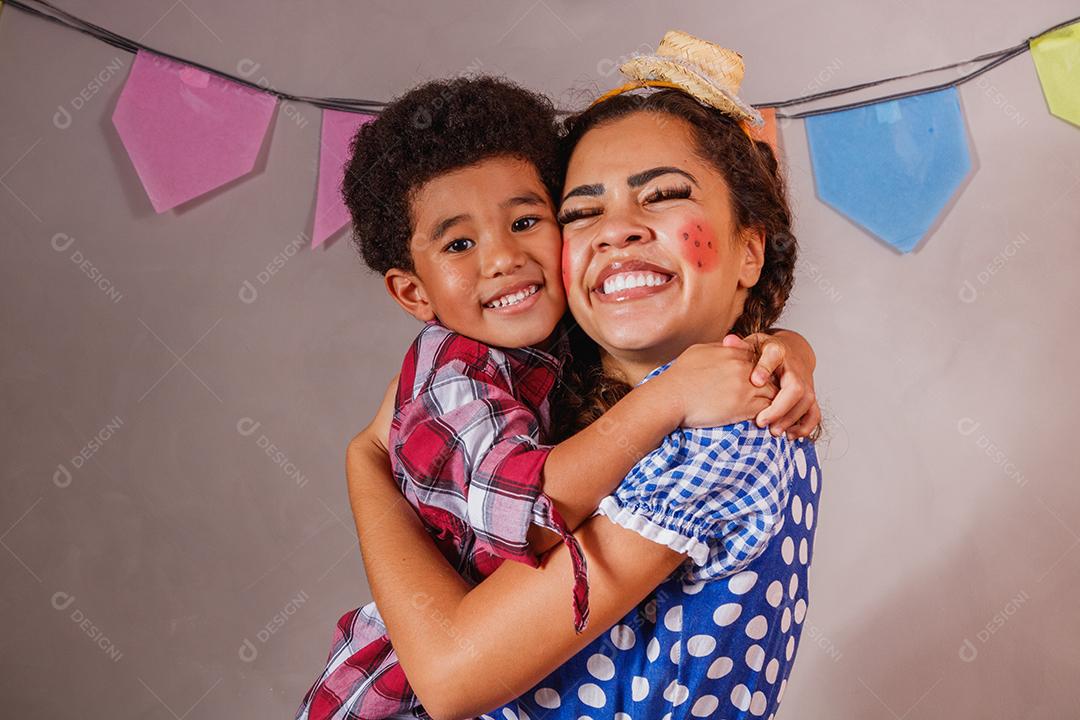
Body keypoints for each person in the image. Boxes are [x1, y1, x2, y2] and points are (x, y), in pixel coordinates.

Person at [296, 72, 820, 719]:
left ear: (751, 249)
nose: (616, 231)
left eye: (661, 196)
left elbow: (454, 675)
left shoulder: (716, 434)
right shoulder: (538, 373)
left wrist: (365, 459)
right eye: (583, 212)